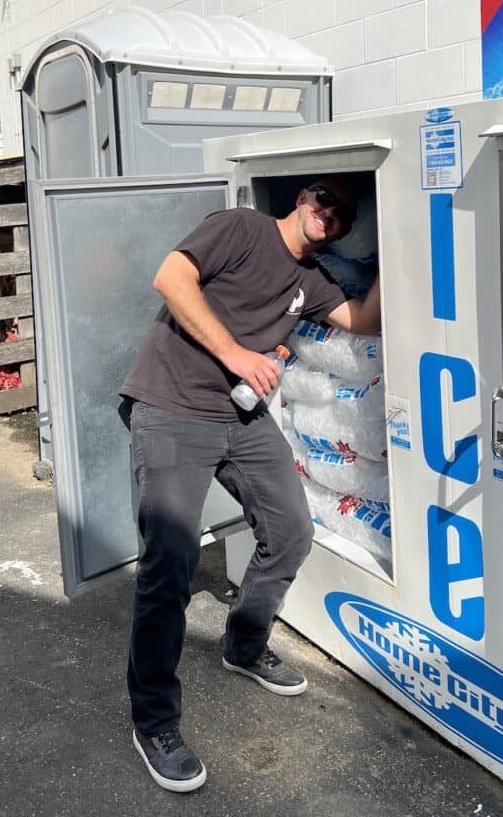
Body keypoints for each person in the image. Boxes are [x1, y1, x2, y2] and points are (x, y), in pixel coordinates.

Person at [119, 177, 381, 793]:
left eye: (343, 215)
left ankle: (243, 643)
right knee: (170, 563)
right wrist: (238, 355)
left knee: (292, 532)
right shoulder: (240, 227)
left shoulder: (309, 282)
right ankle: (153, 720)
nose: (330, 214)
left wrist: (403, 236)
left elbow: (364, 321)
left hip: (241, 419)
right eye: (324, 199)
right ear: (301, 198)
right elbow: (171, 278)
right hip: (172, 407)